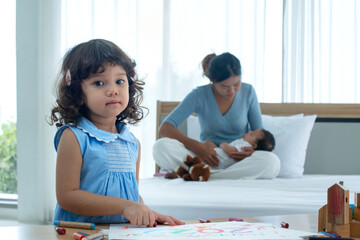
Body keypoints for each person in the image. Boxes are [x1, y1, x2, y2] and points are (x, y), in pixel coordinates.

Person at [48, 39, 185, 226]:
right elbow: (67, 197)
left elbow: (131, 196)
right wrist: (125, 206)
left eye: (120, 81)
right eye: (99, 83)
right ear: (78, 93)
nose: (113, 90)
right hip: (80, 233)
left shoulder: (132, 143)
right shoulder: (73, 137)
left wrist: (148, 213)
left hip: (121, 232)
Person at [153, 52, 280, 179]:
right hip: (207, 157)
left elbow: (260, 133)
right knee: (160, 147)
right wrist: (197, 147)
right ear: (212, 81)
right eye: (224, 86)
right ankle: (204, 171)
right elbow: (165, 128)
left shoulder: (248, 92)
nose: (232, 91)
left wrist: (251, 152)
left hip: (238, 162)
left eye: (237, 84)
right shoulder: (199, 95)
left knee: (272, 162)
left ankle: (202, 174)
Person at [209, 128, 275, 170]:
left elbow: (230, 152)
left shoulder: (246, 146)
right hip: (215, 158)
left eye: (252, 134)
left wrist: (223, 144)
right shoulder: (244, 143)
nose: (249, 132)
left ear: (254, 145)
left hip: (216, 161)